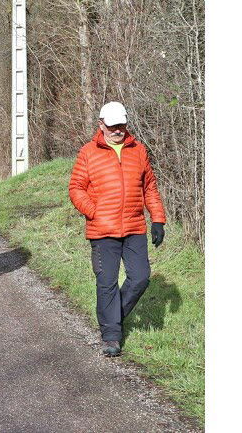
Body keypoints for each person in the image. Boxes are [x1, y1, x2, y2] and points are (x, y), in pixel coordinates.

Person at [68, 101, 167, 357]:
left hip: (134, 227)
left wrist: (157, 219)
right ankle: (111, 336)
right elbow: (76, 188)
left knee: (140, 278)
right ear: (101, 125)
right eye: (112, 126)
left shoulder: (139, 151)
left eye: (121, 125)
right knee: (107, 283)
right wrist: (94, 212)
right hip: (103, 231)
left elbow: (150, 188)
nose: (117, 130)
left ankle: (114, 318)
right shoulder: (88, 152)